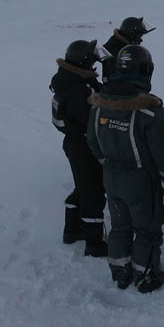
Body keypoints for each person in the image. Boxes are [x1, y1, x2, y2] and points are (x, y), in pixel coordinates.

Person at [86, 45, 164, 292]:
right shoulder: (149, 110)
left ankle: (120, 270)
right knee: (147, 228)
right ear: (146, 70)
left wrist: (106, 162)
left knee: (120, 225)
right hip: (139, 179)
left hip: (111, 176)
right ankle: (146, 273)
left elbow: (92, 141)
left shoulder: (99, 105)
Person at [50, 40, 108, 257]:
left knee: (83, 186)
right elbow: (93, 120)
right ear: (83, 61)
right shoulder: (78, 89)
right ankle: (94, 243)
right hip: (84, 145)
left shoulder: (74, 80)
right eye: (92, 60)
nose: (94, 65)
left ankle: (72, 229)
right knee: (93, 192)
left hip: (77, 143)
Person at [100, 17, 156, 82]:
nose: (141, 40)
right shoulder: (116, 49)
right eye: (139, 36)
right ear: (131, 35)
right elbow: (116, 76)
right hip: (119, 89)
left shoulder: (121, 45)